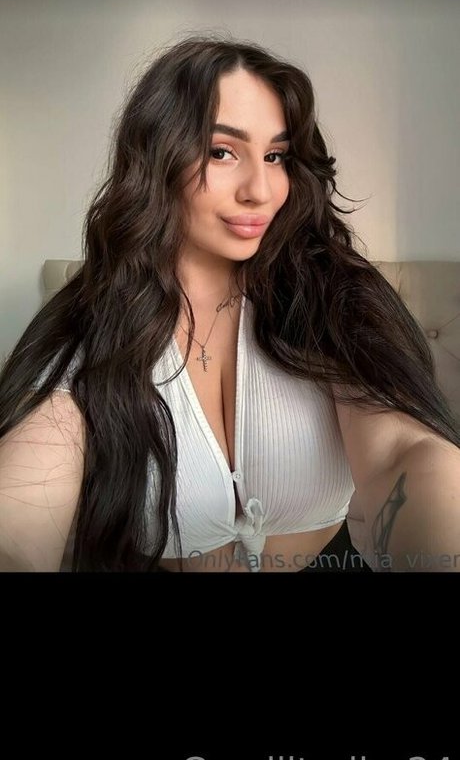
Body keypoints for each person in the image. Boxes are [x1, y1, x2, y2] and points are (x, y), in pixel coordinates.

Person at [1, 35, 459, 573]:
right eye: (222, 152)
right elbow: (21, 509)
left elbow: (404, 453)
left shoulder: (333, 296)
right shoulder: (90, 326)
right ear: (157, 157)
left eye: (275, 156)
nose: (260, 190)